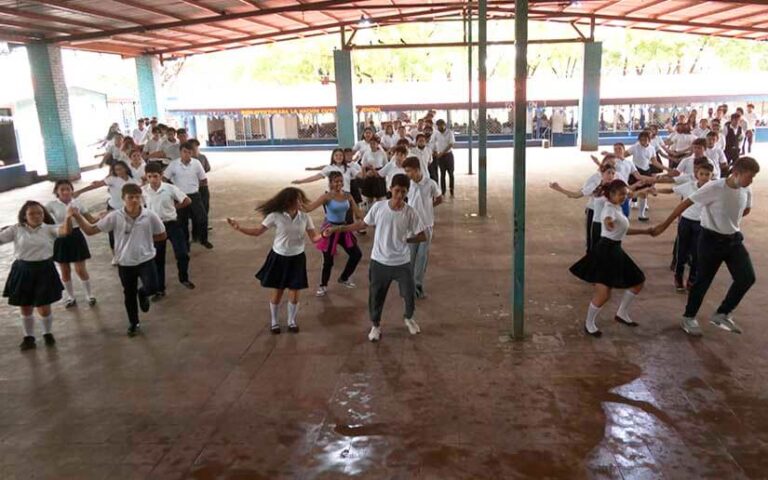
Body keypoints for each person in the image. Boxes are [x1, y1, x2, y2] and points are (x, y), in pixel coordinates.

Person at [651, 157, 759, 337]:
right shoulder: (715, 187)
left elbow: (745, 209)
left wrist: (727, 220)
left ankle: (722, 313)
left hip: (733, 240)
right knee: (702, 280)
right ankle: (689, 317)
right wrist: (664, 224)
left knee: (747, 277)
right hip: (710, 240)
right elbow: (686, 203)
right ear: (736, 173)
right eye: (750, 176)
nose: (751, 181)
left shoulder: (746, 189)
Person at [324, 174, 428, 342]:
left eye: (403, 191)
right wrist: (339, 229)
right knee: (376, 295)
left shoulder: (410, 213)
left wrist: (407, 240)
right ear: (390, 189)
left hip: (402, 262)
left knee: (409, 293)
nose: (400, 195)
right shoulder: (379, 207)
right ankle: (375, 325)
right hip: (380, 261)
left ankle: (409, 318)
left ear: (407, 192)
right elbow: (362, 224)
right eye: (396, 191)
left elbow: (422, 236)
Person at [72, 183, 166, 337]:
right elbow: (90, 230)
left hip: (146, 260)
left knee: (153, 287)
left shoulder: (150, 216)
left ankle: (143, 293)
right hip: (125, 263)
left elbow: (161, 234)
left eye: (137, 197)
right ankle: (134, 323)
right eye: (130, 197)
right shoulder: (115, 217)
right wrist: (77, 216)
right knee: (128, 294)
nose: (134, 200)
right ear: (123, 199)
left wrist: (145, 244)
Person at [226, 188, 321, 334]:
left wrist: (325, 234)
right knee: (278, 291)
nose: (301, 202)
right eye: (298, 199)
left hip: (297, 257)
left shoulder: (305, 217)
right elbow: (258, 232)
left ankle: (291, 321)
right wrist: (239, 228)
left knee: (295, 293)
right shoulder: (275, 216)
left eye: (301, 199)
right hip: (279, 257)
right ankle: (274, 322)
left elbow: (314, 238)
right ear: (289, 201)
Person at [569, 180, 653, 337]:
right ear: (611, 195)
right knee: (604, 293)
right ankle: (589, 323)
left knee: (637, 282)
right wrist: (607, 223)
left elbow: (623, 229)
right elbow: (607, 219)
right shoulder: (609, 209)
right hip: (605, 251)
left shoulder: (617, 207)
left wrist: (646, 231)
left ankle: (622, 313)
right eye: (621, 194)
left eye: (625, 194)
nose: (624, 196)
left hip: (615, 250)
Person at [1, 201, 73, 350]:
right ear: (24, 216)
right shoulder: (16, 229)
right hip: (22, 270)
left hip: (44, 270)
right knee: (25, 306)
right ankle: (29, 337)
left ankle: (47, 333)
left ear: (44, 214)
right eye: (31, 213)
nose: (36, 216)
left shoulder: (49, 229)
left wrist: (68, 218)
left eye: (39, 213)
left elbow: (65, 231)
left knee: (44, 307)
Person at [654, 162, 714, 292]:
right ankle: (678, 276)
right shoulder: (689, 186)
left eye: (707, 174)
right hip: (686, 222)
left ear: (712, 175)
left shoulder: (713, 189)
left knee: (696, 252)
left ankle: (692, 278)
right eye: (701, 174)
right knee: (681, 251)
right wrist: (656, 190)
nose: (704, 177)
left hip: (702, 224)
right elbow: (672, 190)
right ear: (697, 174)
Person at [305, 172, 364, 297]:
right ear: (330, 183)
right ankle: (323, 285)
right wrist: (297, 203)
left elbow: (358, 213)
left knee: (356, 254)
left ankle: (344, 277)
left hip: (343, 228)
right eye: (336, 181)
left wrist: (369, 217)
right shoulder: (326, 197)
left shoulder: (348, 196)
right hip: (329, 230)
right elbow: (309, 208)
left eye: (341, 181)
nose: (339, 184)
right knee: (328, 261)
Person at [142, 163, 195, 299]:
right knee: (158, 259)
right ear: (146, 177)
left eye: (156, 176)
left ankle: (183, 278)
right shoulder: (143, 192)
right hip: (155, 228)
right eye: (150, 176)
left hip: (172, 224)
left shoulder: (170, 188)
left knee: (182, 253)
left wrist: (173, 208)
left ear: (161, 176)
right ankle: (160, 289)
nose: (153, 179)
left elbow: (187, 200)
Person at [45, 180, 97, 308]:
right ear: (57, 191)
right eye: (62, 189)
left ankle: (89, 295)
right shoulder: (51, 205)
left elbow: (90, 219)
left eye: (68, 189)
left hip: (76, 236)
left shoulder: (77, 203)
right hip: (60, 237)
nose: (66, 192)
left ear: (72, 190)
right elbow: (42, 220)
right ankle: (70, 297)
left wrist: (104, 216)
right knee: (65, 271)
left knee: (80, 269)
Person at [550, 160, 616, 253]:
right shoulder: (595, 186)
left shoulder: (615, 186)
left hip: (608, 215)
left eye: (613, 173)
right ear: (602, 173)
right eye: (608, 173)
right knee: (592, 241)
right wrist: (560, 189)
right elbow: (576, 195)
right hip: (594, 214)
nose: (611, 176)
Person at [73, 160, 139, 251]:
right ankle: (115, 254)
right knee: (112, 233)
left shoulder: (133, 180)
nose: (118, 172)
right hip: (113, 208)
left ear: (125, 169)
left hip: (127, 210)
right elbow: (96, 186)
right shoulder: (112, 179)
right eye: (116, 170)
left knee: (128, 231)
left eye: (120, 169)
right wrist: (80, 191)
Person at [403, 156, 442, 299]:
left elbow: (439, 198)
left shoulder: (430, 183)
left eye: (409, 171)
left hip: (426, 225)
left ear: (417, 169)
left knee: (422, 257)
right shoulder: (408, 185)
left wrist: (428, 208)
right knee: (410, 256)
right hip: (411, 226)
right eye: (406, 171)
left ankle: (418, 285)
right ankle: (409, 285)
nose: (407, 174)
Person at [163, 141, 212, 249]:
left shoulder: (196, 163)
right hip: (180, 197)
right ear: (180, 152)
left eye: (189, 152)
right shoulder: (174, 164)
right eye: (184, 152)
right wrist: (171, 190)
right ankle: (185, 243)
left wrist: (202, 192)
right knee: (182, 221)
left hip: (194, 194)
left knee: (202, 218)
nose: (187, 154)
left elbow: (203, 179)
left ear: (192, 153)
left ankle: (203, 239)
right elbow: (164, 178)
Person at [293, 148, 361, 195]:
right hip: (331, 195)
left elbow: (361, 176)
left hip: (345, 195)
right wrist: (301, 181)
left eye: (340, 155)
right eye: (336, 155)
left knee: (348, 215)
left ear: (343, 157)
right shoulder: (329, 168)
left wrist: (364, 167)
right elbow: (316, 177)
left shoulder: (349, 168)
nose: (339, 157)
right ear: (333, 157)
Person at [361, 136, 388, 205]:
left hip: (379, 174)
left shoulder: (382, 153)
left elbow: (386, 165)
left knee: (380, 198)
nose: (372, 145)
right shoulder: (366, 153)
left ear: (377, 144)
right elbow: (363, 165)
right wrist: (365, 175)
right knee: (369, 198)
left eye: (374, 143)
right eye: (371, 143)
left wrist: (381, 174)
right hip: (369, 174)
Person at [432, 119, 455, 197]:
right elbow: (432, 143)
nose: (439, 127)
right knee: (442, 174)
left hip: (448, 155)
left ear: (444, 125)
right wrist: (435, 151)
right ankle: (443, 191)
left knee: (451, 173)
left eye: (441, 125)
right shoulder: (436, 133)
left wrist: (442, 153)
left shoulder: (449, 132)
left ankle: (451, 189)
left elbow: (451, 144)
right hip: (440, 157)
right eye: (438, 126)